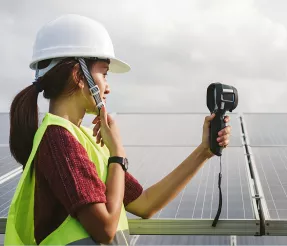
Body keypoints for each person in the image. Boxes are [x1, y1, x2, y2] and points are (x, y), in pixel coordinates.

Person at [5, 14, 231, 245]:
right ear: (78, 76)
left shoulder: (79, 140)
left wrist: (204, 151)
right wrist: (118, 155)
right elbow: (105, 229)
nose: (108, 87)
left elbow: (145, 203)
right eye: (103, 74)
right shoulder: (59, 141)